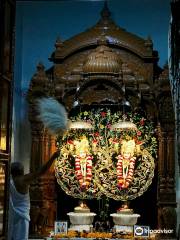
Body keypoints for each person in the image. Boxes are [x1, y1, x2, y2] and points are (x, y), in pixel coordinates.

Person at [8, 150, 60, 240]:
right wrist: (53, 157)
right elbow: (41, 172)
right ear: (22, 171)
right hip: (22, 218)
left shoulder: (9, 182)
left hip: (12, 217)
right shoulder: (23, 180)